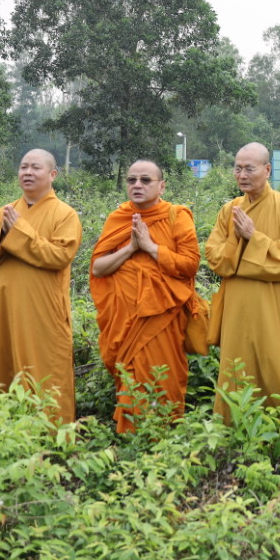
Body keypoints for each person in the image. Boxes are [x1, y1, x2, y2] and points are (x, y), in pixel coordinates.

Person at [90, 159, 201, 432]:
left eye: (145, 180)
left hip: (162, 317)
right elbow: (98, 267)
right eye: (131, 180)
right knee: (129, 374)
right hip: (124, 319)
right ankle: (131, 439)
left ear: (161, 185)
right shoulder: (118, 218)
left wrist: (151, 248)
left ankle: (163, 435)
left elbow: (190, 265)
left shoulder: (177, 216)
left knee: (162, 375)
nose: (137, 185)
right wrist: (130, 248)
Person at [0, 149, 82, 423]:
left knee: (45, 370)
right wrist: (5, 231)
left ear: (52, 175)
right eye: (23, 167)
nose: (28, 173)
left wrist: (19, 232)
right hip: (6, 309)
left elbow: (59, 256)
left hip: (42, 311)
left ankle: (50, 438)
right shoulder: (7, 212)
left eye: (35, 167)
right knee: (3, 366)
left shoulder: (65, 214)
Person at [205, 142, 280, 419]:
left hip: (271, 303)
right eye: (237, 169)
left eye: (249, 168)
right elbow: (214, 257)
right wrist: (235, 241)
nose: (242, 175)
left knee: (271, 360)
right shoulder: (229, 211)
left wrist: (254, 237)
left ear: (267, 169)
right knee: (235, 364)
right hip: (236, 302)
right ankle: (231, 427)